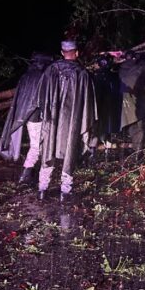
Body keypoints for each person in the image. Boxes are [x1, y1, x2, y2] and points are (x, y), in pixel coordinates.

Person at [35, 40, 97, 201]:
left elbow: (40, 96)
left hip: (52, 120)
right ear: (76, 53)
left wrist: (46, 112)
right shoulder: (82, 74)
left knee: (49, 148)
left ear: (62, 53)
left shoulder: (51, 70)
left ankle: (42, 189)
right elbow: (88, 104)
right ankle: (65, 191)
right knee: (70, 151)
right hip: (72, 122)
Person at [0, 52, 53, 183]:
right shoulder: (41, 77)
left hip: (26, 117)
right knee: (36, 147)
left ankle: (28, 173)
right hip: (36, 117)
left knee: (36, 145)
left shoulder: (25, 76)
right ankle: (26, 174)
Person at [119, 50, 145, 162]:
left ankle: (129, 153)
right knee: (139, 129)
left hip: (124, 104)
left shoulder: (121, 69)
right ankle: (138, 155)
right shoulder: (139, 68)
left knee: (131, 128)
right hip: (137, 102)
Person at [88, 54, 122, 163]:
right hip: (109, 110)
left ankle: (93, 153)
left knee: (95, 131)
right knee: (107, 130)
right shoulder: (114, 77)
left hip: (97, 109)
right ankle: (106, 153)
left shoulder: (94, 77)